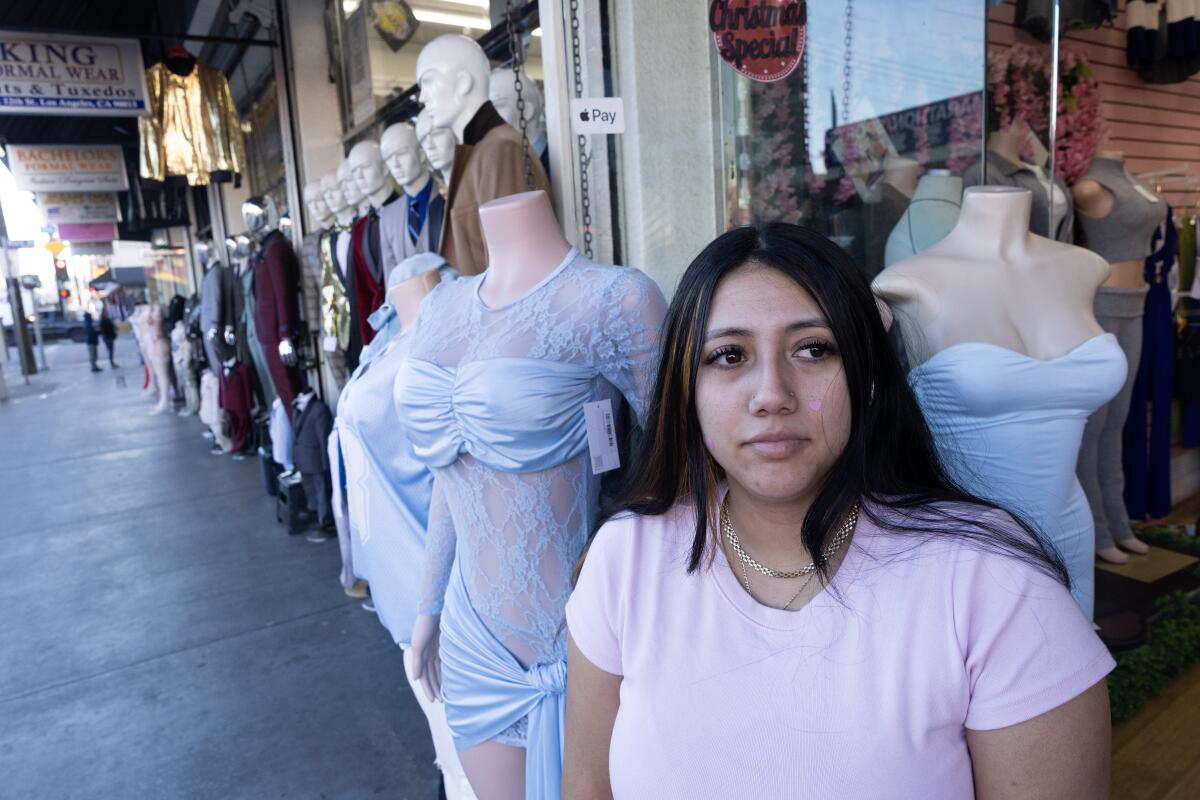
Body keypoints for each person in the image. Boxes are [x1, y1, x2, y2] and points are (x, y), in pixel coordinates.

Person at [563, 223, 1114, 799]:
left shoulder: (993, 584)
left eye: (813, 349)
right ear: (687, 392)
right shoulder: (626, 558)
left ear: (866, 374)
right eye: (728, 355)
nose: (772, 395)